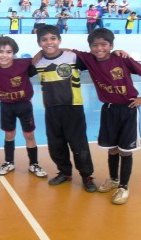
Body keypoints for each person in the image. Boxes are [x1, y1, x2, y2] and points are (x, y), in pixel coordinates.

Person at [73, 28, 141, 204]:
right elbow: (67, 50)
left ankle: (123, 186)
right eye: (95, 45)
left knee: (125, 150)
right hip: (108, 109)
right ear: (90, 47)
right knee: (112, 148)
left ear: (111, 45)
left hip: (128, 108)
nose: (99, 48)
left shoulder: (121, 58)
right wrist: (41, 52)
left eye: (104, 44)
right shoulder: (89, 59)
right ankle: (113, 179)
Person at [31, 25, 97, 192]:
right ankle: (65, 173)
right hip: (51, 109)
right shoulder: (36, 62)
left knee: (78, 144)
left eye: (53, 38)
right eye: (44, 40)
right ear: (39, 43)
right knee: (56, 144)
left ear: (59, 40)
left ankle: (86, 175)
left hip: (73, 108)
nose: (49, 42)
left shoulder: (73, 57)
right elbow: (15, 70)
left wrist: (120, 53)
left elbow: (96, 58)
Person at [0, 36, 47, 178]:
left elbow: (40, 55)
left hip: (24, 105)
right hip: (6, 106)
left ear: (14, 53)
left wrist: (41, 51)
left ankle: (34, 164)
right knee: (9, 134)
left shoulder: (23, 64)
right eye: (0, 51)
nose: (4, 55)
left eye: (8, 52)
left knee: (29, 134)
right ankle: (9, 162)